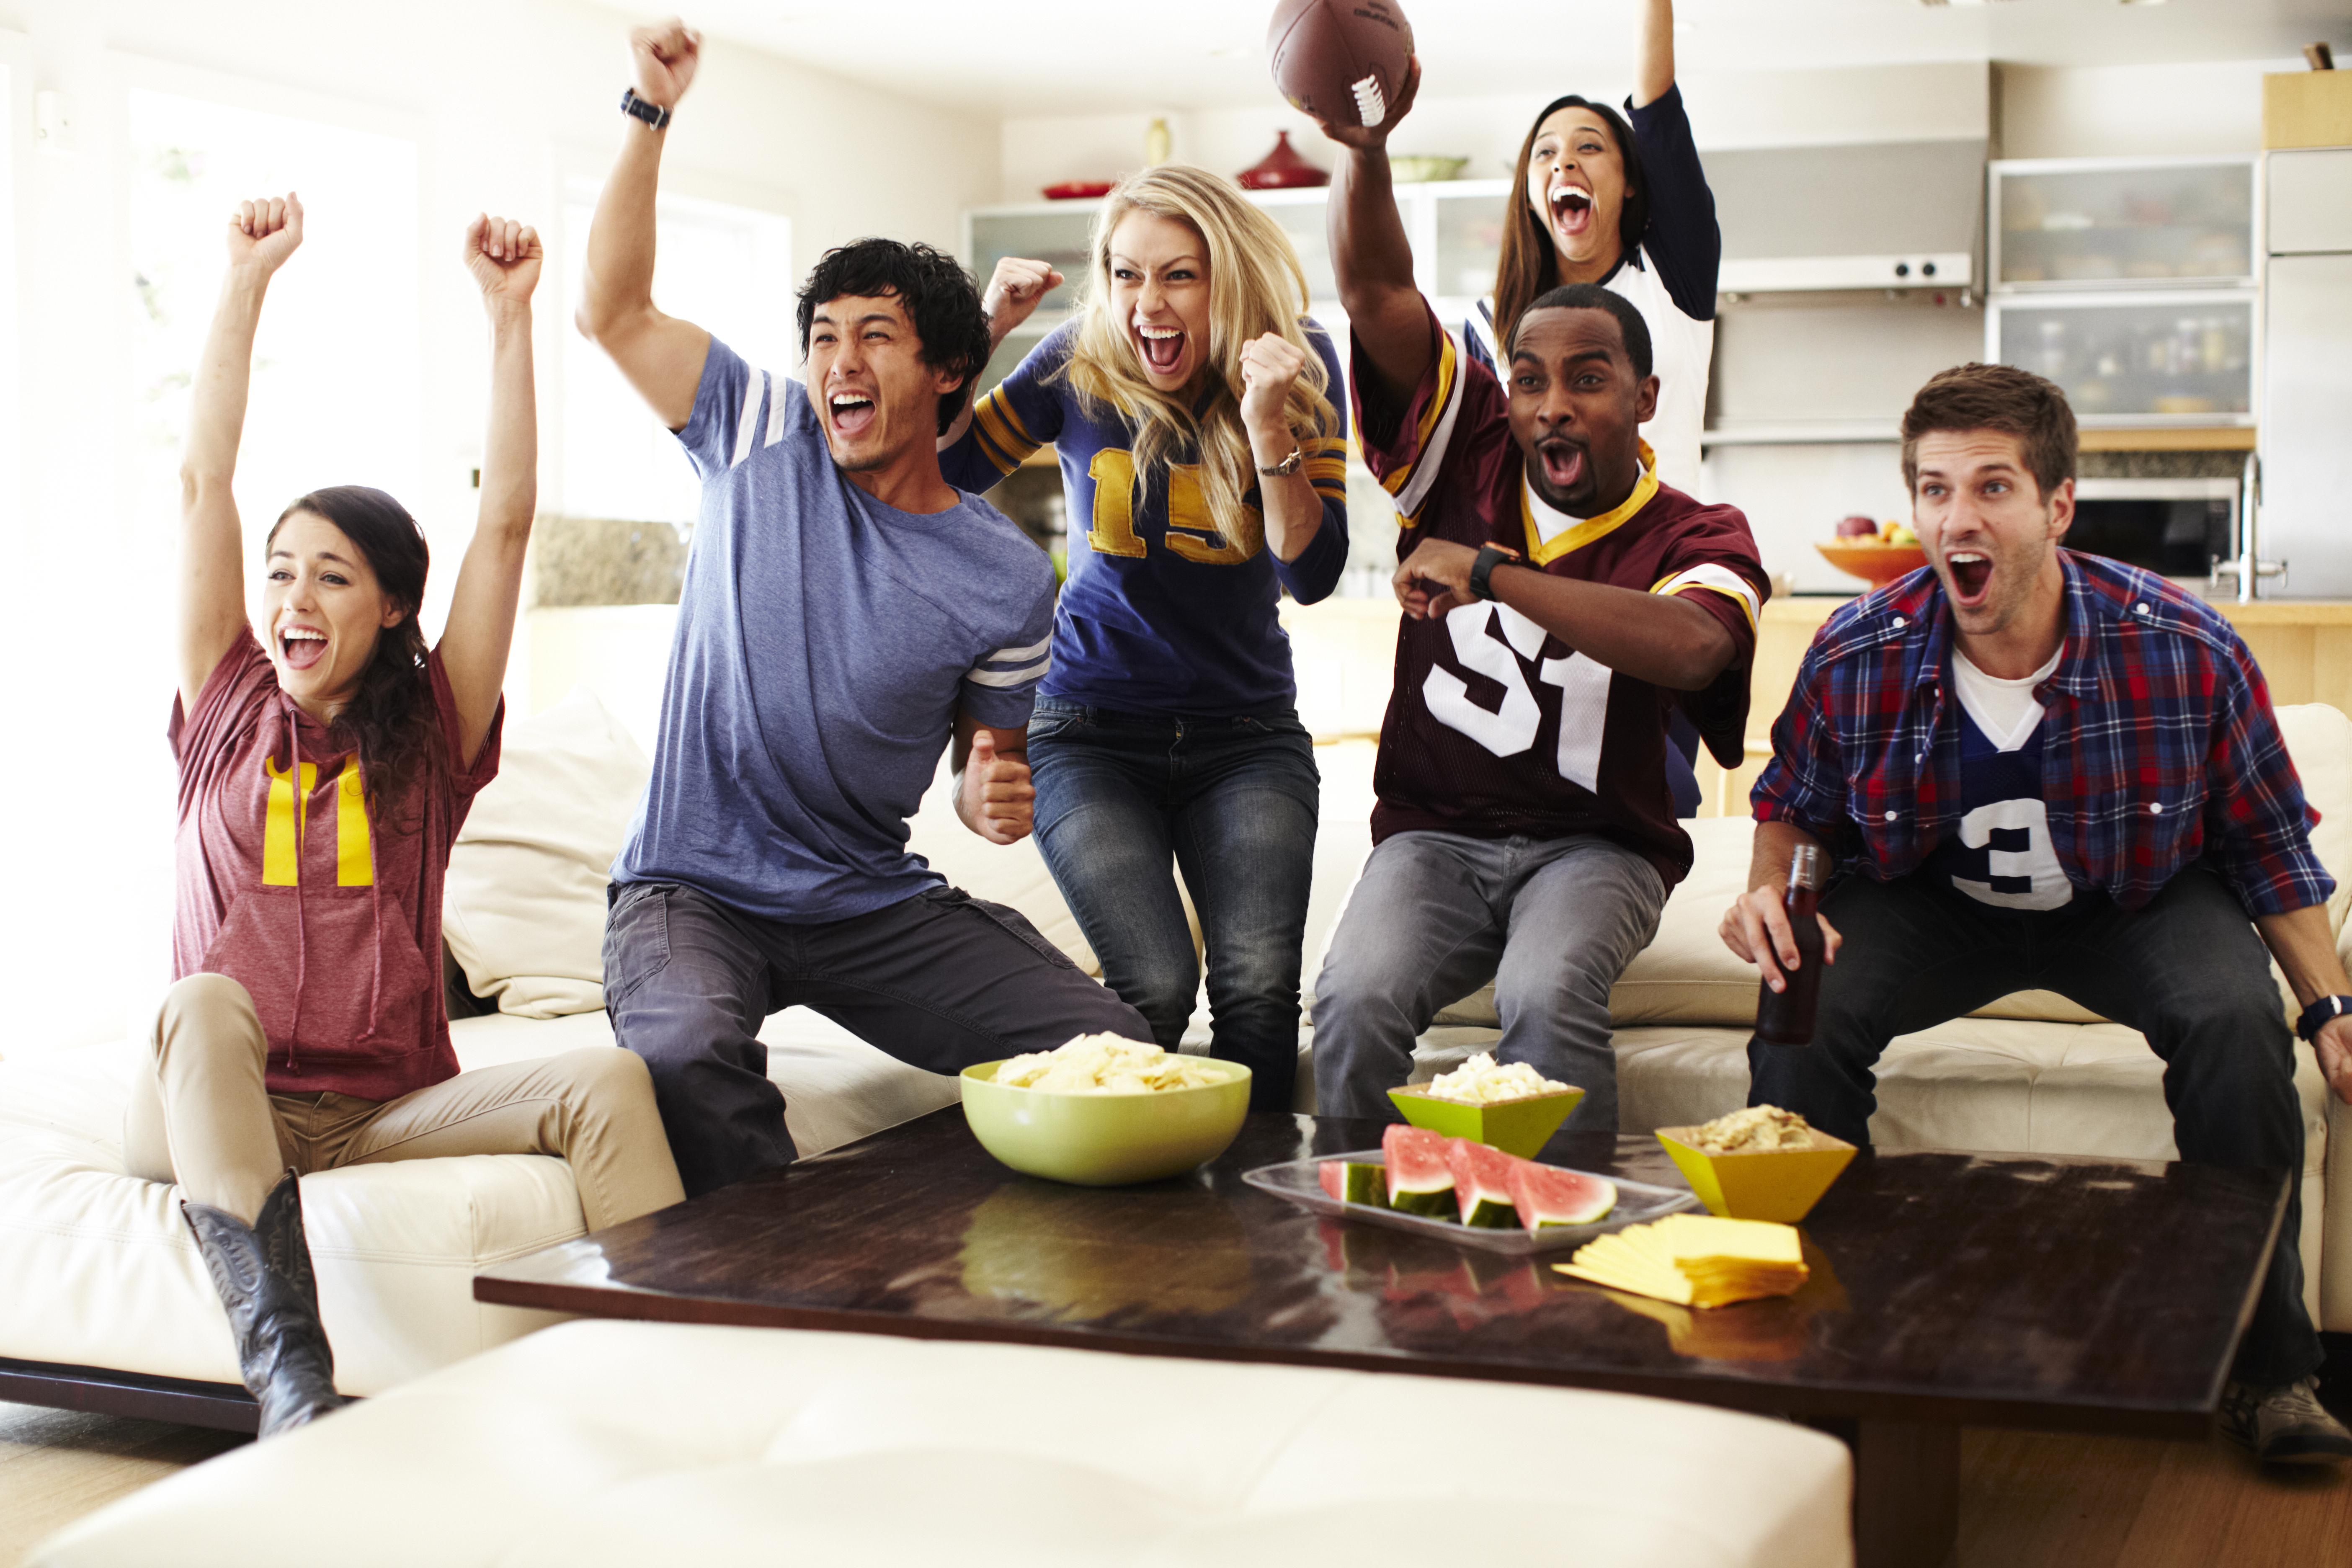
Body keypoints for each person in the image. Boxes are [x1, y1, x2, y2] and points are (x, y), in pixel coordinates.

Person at [1721, 362, 2352, 1465]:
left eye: (1995, 487)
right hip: (1932, 901)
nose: (1958, 517)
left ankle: (2272, 1372)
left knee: (2236, 1029)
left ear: (2060, 506)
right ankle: (1822, 1345)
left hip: (2139, 899)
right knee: (1801, 1019)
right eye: (1933, 489)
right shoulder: (1857, 648)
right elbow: (1792, 804)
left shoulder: (2183, 645)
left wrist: (2330, 1006)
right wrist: (1772, 887)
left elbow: (2267, 843)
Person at [140, 195, 686, 1438]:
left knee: (605, 1080)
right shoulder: (224, 700)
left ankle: (681, 1369)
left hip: (378, 1109)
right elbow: (200, 479)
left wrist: (510, 319)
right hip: (219, 1101)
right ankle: (291, 1385)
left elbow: (504, 527)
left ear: (393, 607)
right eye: (281, 569)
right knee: (202, 1001)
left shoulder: (430, 736)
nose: (293, 593)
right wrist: (242, 281)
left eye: (332, 575)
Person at [578, 20, 1149, 1198]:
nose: (839, 358)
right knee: (687, 1049)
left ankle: (973, 1265)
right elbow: (614, 311)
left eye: (874, 336)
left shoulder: (1003, 576)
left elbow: (985, 780)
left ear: (948, 371)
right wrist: (647, 108)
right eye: (825, 336)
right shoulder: (757, 430)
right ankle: (794, 1297)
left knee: (1114, 1052)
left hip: (861, 899)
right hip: (692, 889)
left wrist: (994, 796)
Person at [1303, 73, 1769, 1138]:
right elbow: (1377, 293)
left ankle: (1568, 1256)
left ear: (1644, 401)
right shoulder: (1465, 447)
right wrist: (1365, 149)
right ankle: (1356, 1247)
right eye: (1528, 379)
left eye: (1589, 378)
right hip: (1433, 835)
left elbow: (1695, 647)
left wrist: (1491, 573)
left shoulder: (1699, 532)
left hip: (1597, 843)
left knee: (1545, 992)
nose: (1552, 403)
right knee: (1352, 994)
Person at [938, 165, 1349, 1113]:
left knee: (1254, 990)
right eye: (1126, 275)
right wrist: (987, 328)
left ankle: (1248, 1232)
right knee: (1154, 985)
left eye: (1178, 276)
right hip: (1087, 728)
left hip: (1246, 736)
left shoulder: (1297, 363)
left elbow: (1312, 571)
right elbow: (953, 466)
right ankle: (1126, 1220)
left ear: (1229, 276)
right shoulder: (1078, 359)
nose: (1146, 305)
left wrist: (1266, 424)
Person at [1460, 0, 1717, 497]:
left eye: (1590, 147)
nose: (1564, 163)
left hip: (1665, 561)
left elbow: (1656, 108)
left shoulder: (1673, 278)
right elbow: (1481, 476)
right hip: (1545, 568)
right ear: (1532, 199)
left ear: (1628, 183)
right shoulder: (1490, 321)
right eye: (1546, 152)